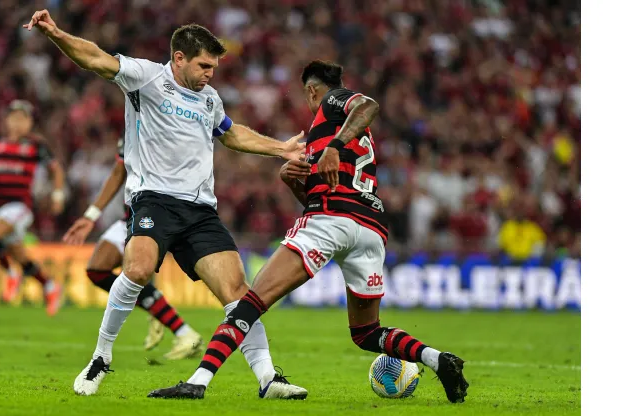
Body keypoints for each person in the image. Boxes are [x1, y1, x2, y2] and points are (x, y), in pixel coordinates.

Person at [148, 61, 470, 403]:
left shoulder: (333, 105)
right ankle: (438, 360)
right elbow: (317, 194)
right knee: (366, 332)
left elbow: (369, 105)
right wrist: (293, 182)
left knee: (250, 302)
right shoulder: (330, 132)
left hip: (333, 219)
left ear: (311, 90)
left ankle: (197, 382)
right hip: (369, 230)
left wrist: (334, 146)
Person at [24, 10, 307, 398]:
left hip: (200, 210)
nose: (211, 73)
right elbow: (94, 58)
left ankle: (268, 379)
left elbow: (232, 134)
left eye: (215, 66)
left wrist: (281, 149)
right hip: (153, 200)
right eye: (204, 65)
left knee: (238, 292)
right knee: (137, 270)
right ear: (179, 58)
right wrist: (56, 33)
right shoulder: (146, 77)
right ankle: (101, 356)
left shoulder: (210, 98)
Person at [63, 138, 202, 360]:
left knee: (137, 271)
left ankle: (184, 332)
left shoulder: (170, 126)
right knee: (97, 270)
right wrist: (91, 215)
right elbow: (119, 172)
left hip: (158, 216)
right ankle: (156, 306)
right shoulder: (131, 127)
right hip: (131, 217)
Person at [0, 100, 65, 316]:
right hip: (0, 207)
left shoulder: (36, 145)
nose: (17, 123)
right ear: (6, 121)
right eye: (13, 118)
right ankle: (49, 285)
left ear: (30, 122)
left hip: (20, 207)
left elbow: (56, 170)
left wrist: (57, 195)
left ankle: (11, 274)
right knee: (19, 255)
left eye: (22, 118)